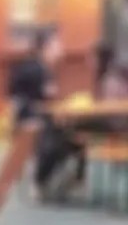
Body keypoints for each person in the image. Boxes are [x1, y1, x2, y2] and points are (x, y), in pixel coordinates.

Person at [8, 26, 83, 199]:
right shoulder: (37, 69)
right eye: (57, 44)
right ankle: (41, 180)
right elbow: (46, 99)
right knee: (63, 140)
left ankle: (52, 181)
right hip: (33, 122)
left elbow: (13, 95)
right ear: (46, 47)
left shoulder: (32, 66)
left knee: (72, 138)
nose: (61, 49)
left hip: (28, 119)